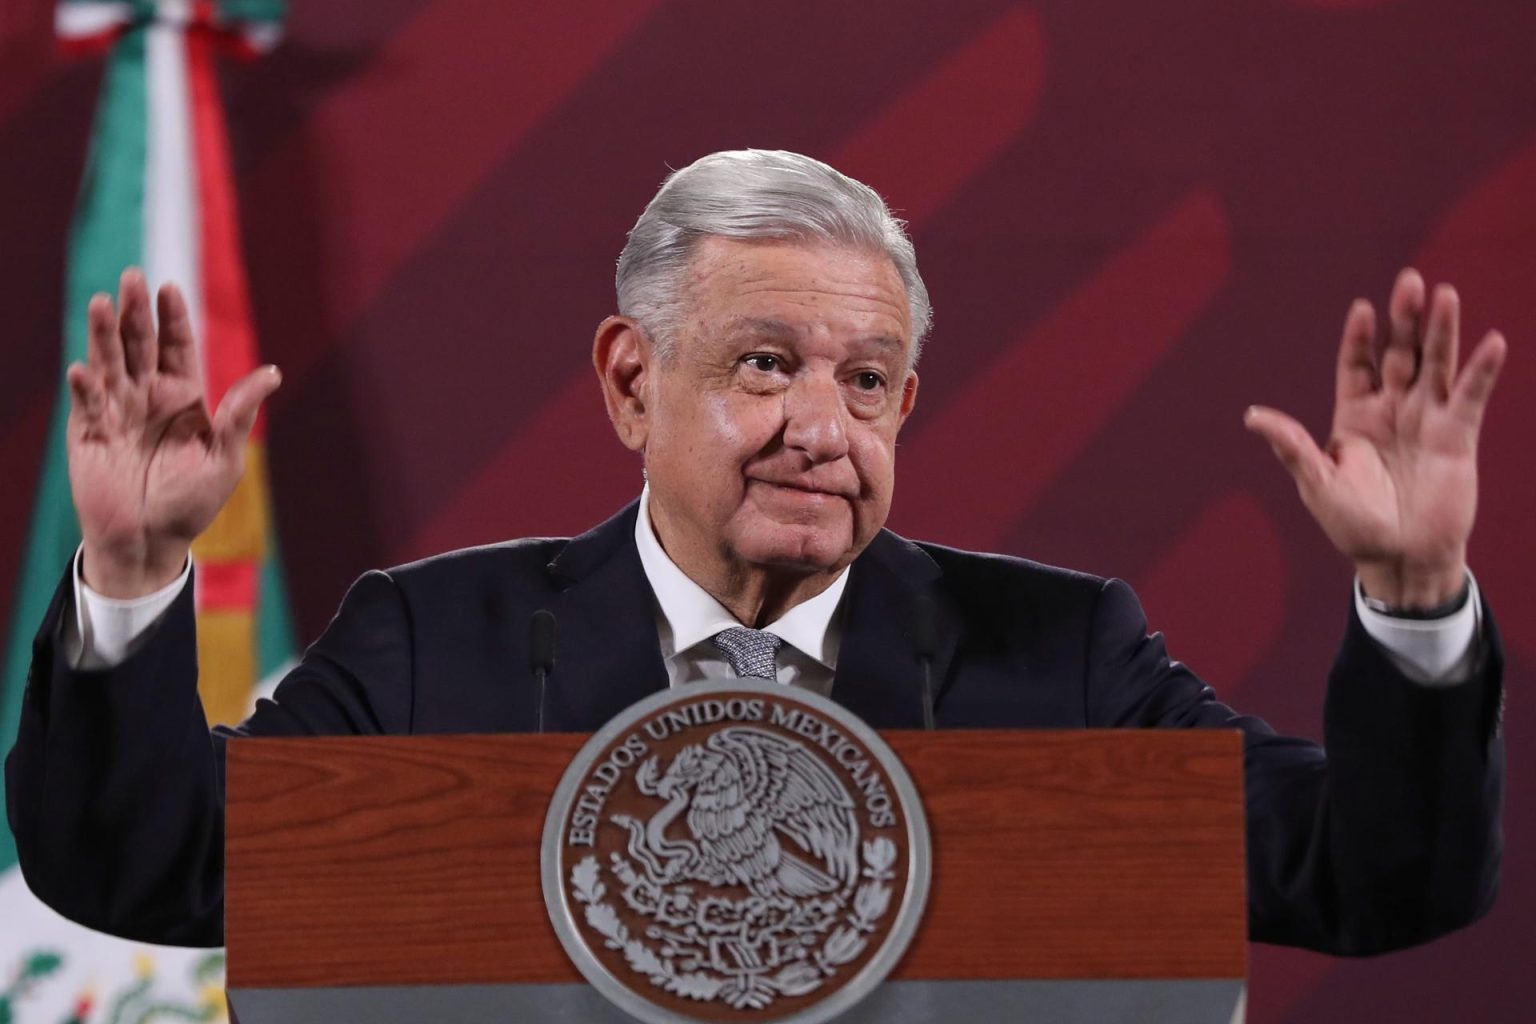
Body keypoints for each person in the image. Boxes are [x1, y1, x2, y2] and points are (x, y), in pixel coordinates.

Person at [6, 150, 1507, 955]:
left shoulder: (1061, 658)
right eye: (763, 362)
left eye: (866, 381)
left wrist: (1415, 601)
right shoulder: (428, 645)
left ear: (909, 405)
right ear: (627, 381)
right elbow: (150, 871)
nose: (818, 426)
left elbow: (1371, 881)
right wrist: (133, 576)